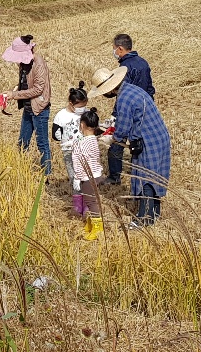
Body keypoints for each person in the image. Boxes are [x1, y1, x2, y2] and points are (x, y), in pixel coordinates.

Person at [90, 65, 170, 229]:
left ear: (109, 89)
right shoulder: (131, 89)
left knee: (145, 178)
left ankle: (143, 219)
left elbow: (123, 130)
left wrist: (111, 139)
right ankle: (154, 213)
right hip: (159, 136)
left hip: (148, 141)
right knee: (154, 177)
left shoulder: (124, 99)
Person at [106, 33, 156, 185]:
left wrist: (115, 113)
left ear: (120, 49)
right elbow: (150, 88)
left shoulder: (124, 68)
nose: (114, 52)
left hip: (128, 110)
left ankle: (114, 177)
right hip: (145, 108)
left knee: (116, 143)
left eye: (114, 49)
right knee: (139, 143)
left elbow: (121, 93)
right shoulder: (143, 63)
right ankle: (142, 172)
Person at [0, 36, 51, 174]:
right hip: (28, 108)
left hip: (39, 109)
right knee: (23, 142)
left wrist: (15, 95)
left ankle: (45, 176)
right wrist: (14, 90)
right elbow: (25, 82)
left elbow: (38, 89)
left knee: (42, 144)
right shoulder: (24, 64)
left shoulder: (38, 64)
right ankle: (19, 169)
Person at [52, 83, 90, 214]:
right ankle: (77, 204)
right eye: (80, 106)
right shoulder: (61, 116)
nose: (83, 109)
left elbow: (93, 128)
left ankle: (87, 205)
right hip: (69, 151)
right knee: (75, 178)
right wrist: (61, 135)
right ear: (71, 103)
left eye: (84, 106)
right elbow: (55, 135)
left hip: (85, 149)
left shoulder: (86, 114)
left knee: (86, 177)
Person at [72, 110, 106, 240]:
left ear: (82, 125)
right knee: (93, 200)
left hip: (87, 178)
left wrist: (77, 177)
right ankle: (92, 223)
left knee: (91, 202)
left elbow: (78, 162)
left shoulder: (81, 143)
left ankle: (97, 227)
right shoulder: (94, 141)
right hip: (96, 175)